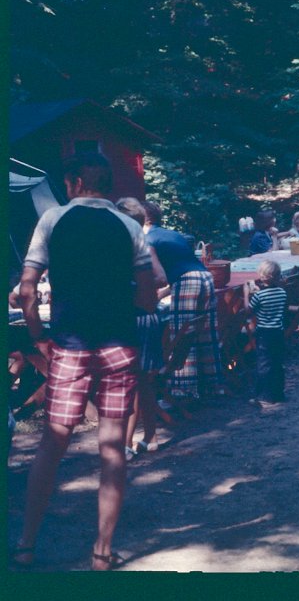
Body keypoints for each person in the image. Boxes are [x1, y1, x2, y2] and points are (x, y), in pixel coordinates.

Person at [13, 153, 156, 570]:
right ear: (108, 185)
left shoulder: (53, 221)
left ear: (74, 182)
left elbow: (26, 290)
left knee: (52, 444)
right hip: (118, 345)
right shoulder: (130, 226)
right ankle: (102, 552)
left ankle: (25, 544)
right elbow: (148, 299)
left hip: (69, 346)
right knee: (112, 449)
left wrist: (39, 338)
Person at [143, 201, 226, 404]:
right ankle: (213, 385)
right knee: (204, 331)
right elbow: (179, 269)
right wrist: (162, 294)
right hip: (205, 278)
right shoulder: (173, 234)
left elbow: (166, 275)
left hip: (187, 281)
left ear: (143, 219)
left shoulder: (147, 239)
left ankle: (182, 390)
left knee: (182, 333)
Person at [115, 198, 167, 461]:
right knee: (143, 383)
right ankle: (151, 437)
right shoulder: (126, 246)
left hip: (140, 319)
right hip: (136, 318)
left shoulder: (140, 246)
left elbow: (160, 278)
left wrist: (136, 286)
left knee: (133, 383)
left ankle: (125, 444)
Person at [245, 260, 287, 406]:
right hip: (278, 332)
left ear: (263, 277)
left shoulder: (259, 296)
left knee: (264, 364)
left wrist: (246, 295)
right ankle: (278, 393)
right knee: (277, 363)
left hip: (264, 333)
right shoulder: (282, 293)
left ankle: (265, 396)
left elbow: (248, 310)